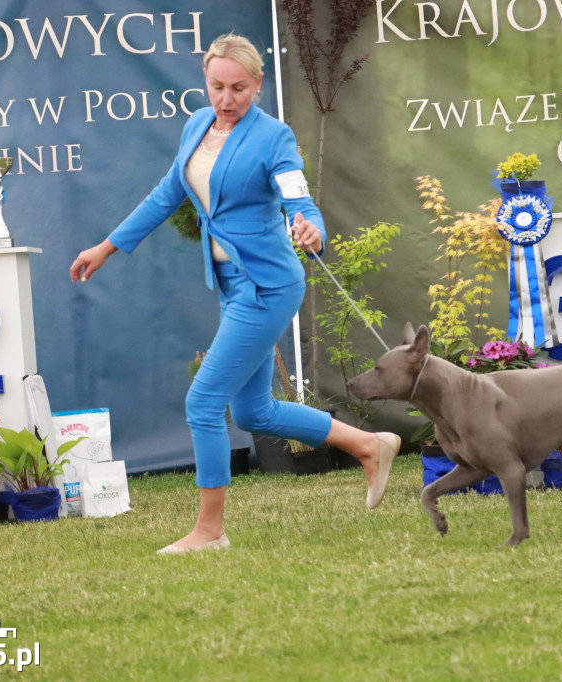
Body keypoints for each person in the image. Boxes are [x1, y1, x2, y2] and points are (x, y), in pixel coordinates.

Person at [69, 33, 401, 554]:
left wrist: (309, 226)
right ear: (206, 82)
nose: (226, 99)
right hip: (231, 284)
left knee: (202, 402)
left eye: (239, 88)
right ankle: (367, 444)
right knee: (253, 413)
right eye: (217, 86)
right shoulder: (197, 126)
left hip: (269, 286)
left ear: (258, 84)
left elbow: (297, 195)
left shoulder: (274, 137)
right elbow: (166, 194)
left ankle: (209, 531)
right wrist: (107, 247)